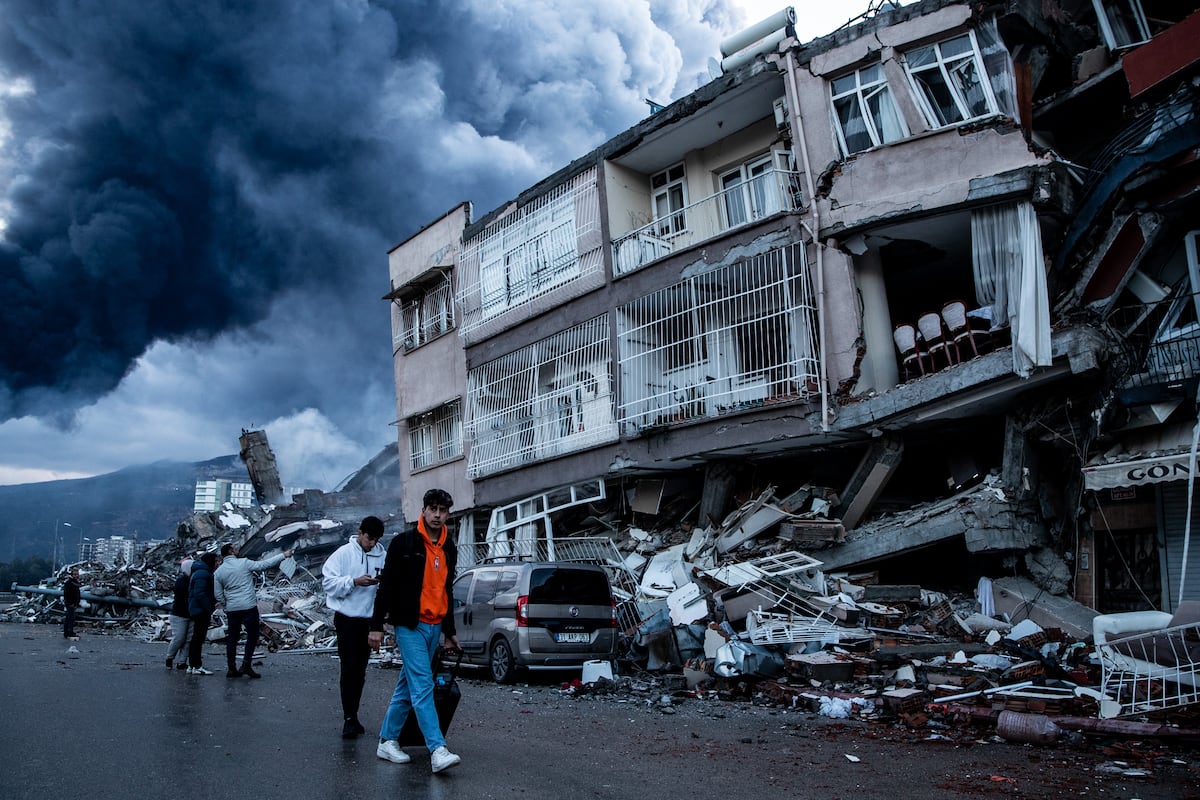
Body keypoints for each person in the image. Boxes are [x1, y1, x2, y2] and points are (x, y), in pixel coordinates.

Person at [371, 488, 461, 773]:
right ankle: (437, 749)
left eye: (442, 510)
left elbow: (447, 590)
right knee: (423, 685)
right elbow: (386, 586)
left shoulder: (449, 547)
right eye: (432, 509)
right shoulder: (404, 543)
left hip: (435, 626)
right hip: (410, 625)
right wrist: (376, 626)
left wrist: (449, 631)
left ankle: (387, 740)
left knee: (407, 686)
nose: (437, 515)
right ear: (423, 511)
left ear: (448, 514)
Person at [322, 516, 387, 738]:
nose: (372, 544)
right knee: (349, 668)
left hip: (368, 621)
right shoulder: (343, 554)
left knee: (360, 670)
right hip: (346, 619)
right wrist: (353, 582)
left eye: (376, 540)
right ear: (360, 533)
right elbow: (328, 583)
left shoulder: (382, 556)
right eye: (369, 538)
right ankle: (349, 718)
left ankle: (354, 714)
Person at [214, 542, 293, 679]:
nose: (237, 548)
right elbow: (264, 565)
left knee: (232, 638)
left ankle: (231, 668)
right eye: (234, 548)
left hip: (232, 609)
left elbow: (218, 594)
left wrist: (227, 604)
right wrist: (283, 555)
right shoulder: (244, 563)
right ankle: (246, 665)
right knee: (253, 635)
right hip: (248, 607)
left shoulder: (218, 572)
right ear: (231, 551)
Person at [186, 552, 219, 675]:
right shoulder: (203, 574)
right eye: (216, 561)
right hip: (200, 610)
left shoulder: (200, 572)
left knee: (196, 638)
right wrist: (208, 607)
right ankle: (196, 666)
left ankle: (192, 666)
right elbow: (199, 593)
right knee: (198, 638)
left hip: (197, 609)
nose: (217, 563)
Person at [164, 558, 193, 670]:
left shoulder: (192, 579)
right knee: (179, 638)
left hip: (190, 614)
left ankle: (182, 662)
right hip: (179, 614)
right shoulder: (181, 581)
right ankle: (169, 657)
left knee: (188, 640)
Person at [62, 568, 81, 640]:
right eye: (75, 574)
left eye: (77, 574)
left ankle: (67, 632)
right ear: (72, 575)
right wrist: (71, 603)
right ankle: (69, 632)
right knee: (70, 618)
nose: (76, 576)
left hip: (73, 603)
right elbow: (67, 594)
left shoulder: (75, 583)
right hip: (70, 603)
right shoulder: (69, 583)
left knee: (69, 618)